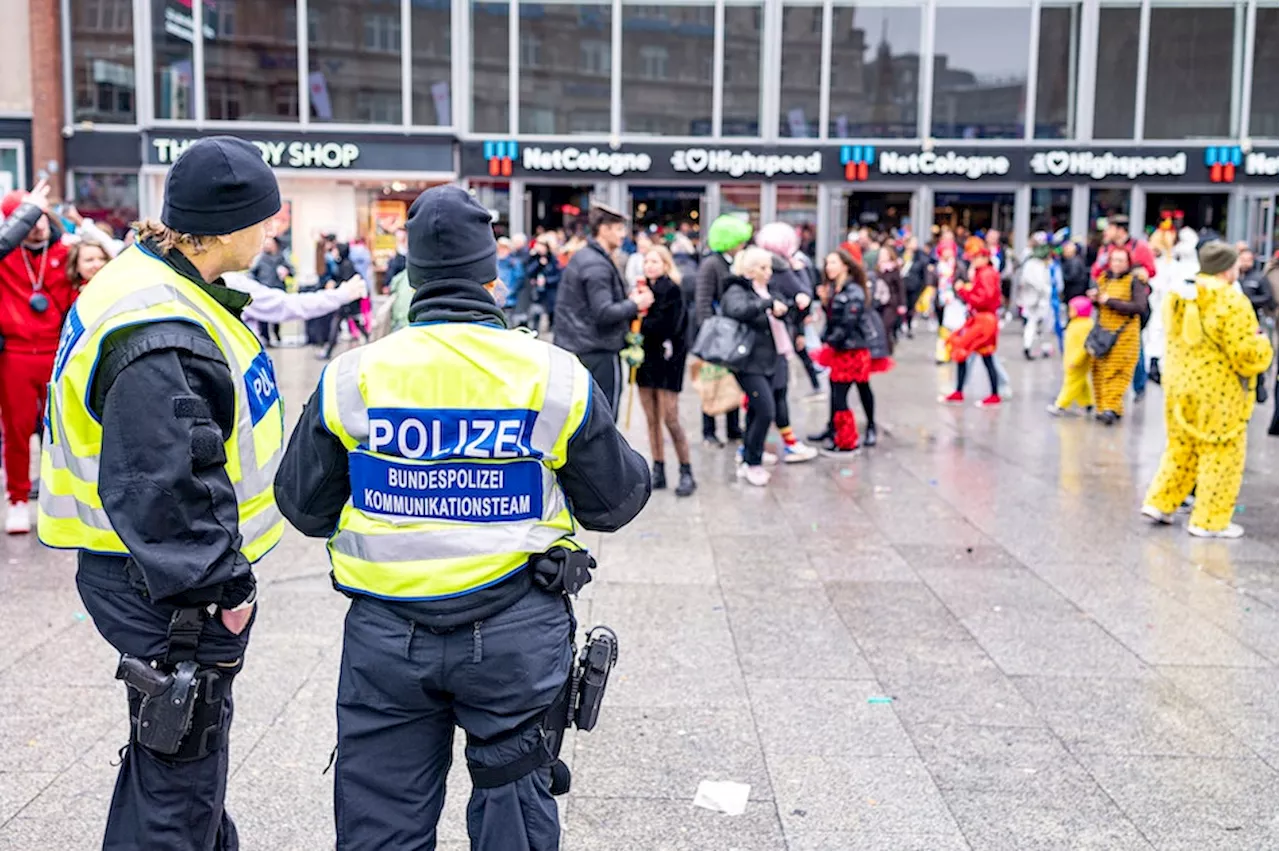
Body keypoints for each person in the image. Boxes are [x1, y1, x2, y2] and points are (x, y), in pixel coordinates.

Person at [272, 184, 651, 849]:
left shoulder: (352, 376)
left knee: (380, 825)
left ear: (411, 273)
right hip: (514, 633)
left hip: (386, 639)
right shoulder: (550, 375)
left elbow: (302, 505)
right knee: (514, 816)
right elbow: (615, 500)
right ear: (491, 270)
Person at [38, 136, 284, 848]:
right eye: (264, 218)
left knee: (175, 763)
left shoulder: (154, 283)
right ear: (228, 226)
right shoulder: (161, 327)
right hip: (167, 585)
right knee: (180, 778)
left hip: (147, 571)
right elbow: (163, 486)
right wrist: (225, 594)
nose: (272, 231)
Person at [1141, 242, 1272, 538]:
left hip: (1179, 384)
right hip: (1218, 391)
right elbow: (1246, 354)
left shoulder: (1179, 296)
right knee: (1221, 452)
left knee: (1181, 447)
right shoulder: (1231, 301)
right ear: (1228, 268)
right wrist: (1263, 344)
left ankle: (1160, 502)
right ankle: (1209, 520)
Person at [0, 180, 76, 532]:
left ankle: (56, 495)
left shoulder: (66, 252)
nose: (38, 224)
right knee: (16, 432)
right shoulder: (5, 256)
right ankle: (17, 498)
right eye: (28, 217)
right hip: (15, 353)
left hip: (56, 352)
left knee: (60, 430)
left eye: (42, 215)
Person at [556, 204, 654, 417]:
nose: (623, 235)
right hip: (596, 350)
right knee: (603, 419)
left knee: (586, 417)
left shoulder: (588, 257)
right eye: (618, 229)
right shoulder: (596, 264)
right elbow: (603, 313)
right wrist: (636, 304)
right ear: (604, 229)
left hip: (582, 347)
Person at [721, 247, 791, 486]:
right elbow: (737, 310)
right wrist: (767, 304)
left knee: (756, 410)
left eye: (769, 267)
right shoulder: (737, 289)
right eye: (763, 268)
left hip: (771, 357)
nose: (768, 272)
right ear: (750, 270)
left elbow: (782, 313)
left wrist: (788, 308)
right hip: (749, 361)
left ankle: (750, 454)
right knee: (765, 410)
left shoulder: (767, 289)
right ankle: (752, 461)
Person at [751, 223, 819, 460]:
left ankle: (754, 448)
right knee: (770, 396)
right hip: (769, 343)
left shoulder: (777, 268)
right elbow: (803, 296)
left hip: (771, 341)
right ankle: (757, 449)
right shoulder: (781, 268)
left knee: (768, 396)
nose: (766, 271)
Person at [812, 249, 891, 454]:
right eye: (827, 263)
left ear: (845, 266)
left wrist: (829, 339)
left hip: (852, 349)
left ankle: (850, 436)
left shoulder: (853, 291)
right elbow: (834, 319)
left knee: (851, 391)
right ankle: (835, 430)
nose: (829, 267)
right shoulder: (835, 289)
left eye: (833, 263)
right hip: (842, 347)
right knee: (840, 390)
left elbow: (848, 322)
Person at [636, 245, 695, 496]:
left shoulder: (672, 290)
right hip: (645, 361)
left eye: (655, 261)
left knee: (670, 417)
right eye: (647, 261)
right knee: (651, 419)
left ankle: (685, 469)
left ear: (665, 264)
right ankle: (658, 467)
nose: (650, 265)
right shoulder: (640, 291)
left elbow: (669, 326)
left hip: (668, 361)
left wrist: (641, 319)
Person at [694, 214, 753, 446]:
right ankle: (708, 430)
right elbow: (703, 301)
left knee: (732, 382)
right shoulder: (711, 264)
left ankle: (732, 427)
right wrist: (711, 336)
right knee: (711, 383)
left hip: (733, 332)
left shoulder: (735, 262)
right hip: (716, 335)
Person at [1089, 247, 1147, 425]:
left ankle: (1111, 408)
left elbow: (1139, 307)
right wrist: (1096, 300)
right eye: (1114, 260)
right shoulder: (1104, 279)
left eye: (1121, 260)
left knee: (1117, 371)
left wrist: (1110, 301)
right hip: (1104, 332)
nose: (1117, 264)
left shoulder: (1134, 281)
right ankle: (1105, 406)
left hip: (1125, 335)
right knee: (1099, 370)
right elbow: (1101, 305)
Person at [942, 246, 1003, 407]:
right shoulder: (984, 273)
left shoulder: (986, 273)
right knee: (980, 355)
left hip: (984, 320)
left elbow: (984, 299)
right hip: (981, 318)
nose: (973, 260)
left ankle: (966, 391)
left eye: (976, 257)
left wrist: (963, 291)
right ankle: (964, 391)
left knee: (965, 350)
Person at [1047, 296, 1095, 416]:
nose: (1069, 312)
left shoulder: (1084, 325)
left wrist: (1076, 360)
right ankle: (1087, 403)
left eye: (1072, 310)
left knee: (1071, 383)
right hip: (1072, 359)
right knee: (1081, 382)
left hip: (1077, 361)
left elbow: (1084, 346)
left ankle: (1060, 405)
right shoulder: (1077, 323)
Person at [320, 242, 370, 359]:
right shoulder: (343, 263)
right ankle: (369, 339)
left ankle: (328, 350)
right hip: (348, 301)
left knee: (336, 323)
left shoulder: (346, 265)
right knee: (353, 323)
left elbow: (347, 282)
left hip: (347, 302)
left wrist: (335, 285)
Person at [249, 235, 293, 346]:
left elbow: (292, 271)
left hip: (277, 290)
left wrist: (287, 271)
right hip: (264, 291)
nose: (267, 246)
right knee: (263, 318)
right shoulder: (261, 258)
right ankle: (266, 338)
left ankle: (277, 336)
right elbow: (252, 273)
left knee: (277, 316)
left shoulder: (282, 258)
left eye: (269, 244)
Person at [1017, 236, 1055, 359]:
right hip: (1038, 300)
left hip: (1033, 299)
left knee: (1035, 324)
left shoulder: (1032, 264)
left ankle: (1036, 347)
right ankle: (1034, 346)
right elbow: (1041, 283)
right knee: (1039, 324)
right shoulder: (1036, 265)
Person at [1091, 215, 1157, 282]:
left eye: (1110, 228)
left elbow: (1151, 271)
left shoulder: (1140, 247)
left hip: (1132, 289)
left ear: (1121, 230)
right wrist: (1099, 265)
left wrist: (1139, 272)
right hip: (1110, 289)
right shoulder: (1105, 249)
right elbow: (1094, 274)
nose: (1105, 232)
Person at [872, 244, 906, 351]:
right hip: (879, 302)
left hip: (891, 302)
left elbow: (900, 287)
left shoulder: (894, 270)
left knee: (886, 326)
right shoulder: (876, 269)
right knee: (879, 326)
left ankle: (887, 349)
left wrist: (902, 304)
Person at [525, 233, 562, 331]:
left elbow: (559, 275)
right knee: (536, 313)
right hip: (536, 292)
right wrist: (538, 264)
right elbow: (528, 272)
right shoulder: (533, 257)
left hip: (550, 291)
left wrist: (547, 280)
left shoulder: (553, 259)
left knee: (550, 313)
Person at [901, 236, 929, 338]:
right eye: (913, 242)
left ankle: (909, 325)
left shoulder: (920, 256)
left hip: (914, 286)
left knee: (911, 307)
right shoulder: (901, 254)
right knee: (902, 306)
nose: (915, 245)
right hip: (902, 285)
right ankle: (902, 324)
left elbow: (923, 271)